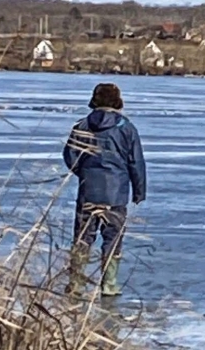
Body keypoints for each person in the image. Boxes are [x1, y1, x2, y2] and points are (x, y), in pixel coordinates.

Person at [62, 83, 147, 298]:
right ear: (117, 100)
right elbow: (136, 161)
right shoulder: (126, 127)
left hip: (88, 190)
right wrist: (139, 191)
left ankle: (76, 284)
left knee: (82, 236)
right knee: (113, 237)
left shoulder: (81, 126)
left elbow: (70, 155)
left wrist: (83, 173)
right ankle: (109, 284)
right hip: (116, 193)